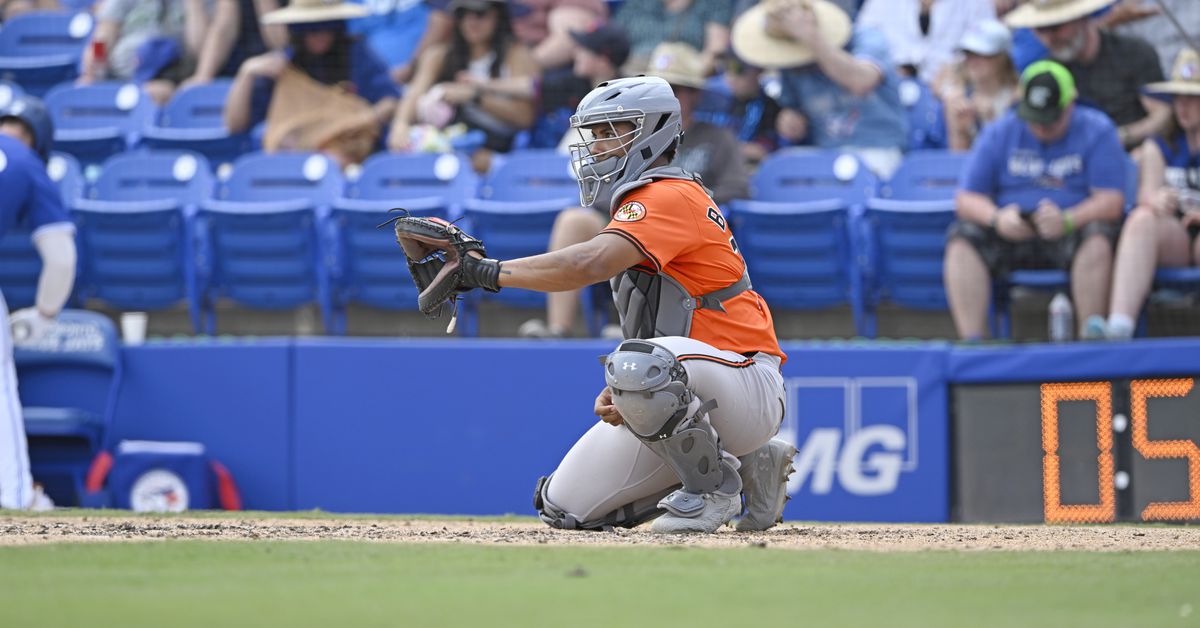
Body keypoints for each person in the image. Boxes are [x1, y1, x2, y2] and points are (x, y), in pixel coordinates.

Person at [435, 75, 794, 534]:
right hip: (703, 384)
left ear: (653, 132)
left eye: (612, 131)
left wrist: (486, 271)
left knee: (636, 363)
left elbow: (589, 262)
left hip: (746, 379)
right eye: (596, 133)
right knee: (565, 508)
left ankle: (714, 491)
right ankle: (750, 463)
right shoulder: (643, 199)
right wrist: (634, 399)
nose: (599, 145)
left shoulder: (667, 194)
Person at [518, 42, 750, 339]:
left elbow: (738, 186)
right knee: (576, 220)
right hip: (626, 217)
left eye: (676, 88)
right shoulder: (625, 131)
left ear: (695, 94)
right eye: (658, 89)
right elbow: (602, 185)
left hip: (685, 229)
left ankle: (629, 329)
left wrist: (685, 200)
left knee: (644, 228)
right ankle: (558, 328)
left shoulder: (717, 138)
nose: (668, 97)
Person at [943, 61, 1126, 341]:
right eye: (1034, 117)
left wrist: (1068, 220)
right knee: (962, 237)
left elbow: (1112, 200)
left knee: (1098, 236)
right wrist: (997, 218)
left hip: (1070, 229)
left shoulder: (1097, 129)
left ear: (1070, 104)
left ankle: (1091, 342)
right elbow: (966, 198)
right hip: (1012, 230)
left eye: (1050, 119)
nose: (1041, 127)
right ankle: (973, 345)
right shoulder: (1001, 130)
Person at [0, 95, 76, 511]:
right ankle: (14, 497)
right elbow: (62, 258)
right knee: (1, 386)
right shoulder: (26, 161)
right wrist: (45, 314)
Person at [731, 0, 908, 178]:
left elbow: (861, 82)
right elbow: (793, 112)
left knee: (859, 175)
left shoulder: (867, 37)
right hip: (822, 154)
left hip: (877, 149)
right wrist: (790, 120)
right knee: (780, 171)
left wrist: (810, 36)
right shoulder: (790, 61)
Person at [224, 0, 400, 168]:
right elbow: (235, 126)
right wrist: (246, 73)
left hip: (351, 160)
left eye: (326, 26)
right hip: (294, 164)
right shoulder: (285, 67)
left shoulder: (356, 55)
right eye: (311, 28)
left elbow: (390, 101)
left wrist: (356, 121)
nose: (320, 35)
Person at [1104, 49, 1200, 339]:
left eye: (1193, 99)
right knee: (1141, 218)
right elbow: (1146, 194)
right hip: (1176, 235)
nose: (1183, 107)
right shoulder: (1160, 145)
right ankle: (1119, 327)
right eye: (1178, 98)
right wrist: (1157, 200)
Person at [388, 0, 537, 173]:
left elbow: (525, 118)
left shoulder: (518, 55)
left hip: (498, 152)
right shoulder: (438, 55)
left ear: (498, 16)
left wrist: (475, 97)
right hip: (447, 146)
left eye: (480, 14)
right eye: (463, 14)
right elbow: (414, 95)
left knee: (479, 161)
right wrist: (400, 125)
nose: (471, 21)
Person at [1004, 0, 1171, 151]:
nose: (1049, 38)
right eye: (1041, 29)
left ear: (1081, 18)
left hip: (1132, 151)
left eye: (1056, 27)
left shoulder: (1134, 52)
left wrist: (1121, 136)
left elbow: (1162, 115)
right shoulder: (1048, 69)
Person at [79, 0, 210, 104]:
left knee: (154, 95)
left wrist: (194, 4)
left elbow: (199, 50)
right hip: (120, 78)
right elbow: (102, 36)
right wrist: (92, 68)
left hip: (169, 77)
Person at [855, 0, 996, 83]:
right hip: (892, 90)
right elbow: (861, 44)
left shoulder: (975, 3)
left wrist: (959, 70)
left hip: (951, 93)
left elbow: (990, 47)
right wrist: (886, 70)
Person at [934, 19, 1019, 152]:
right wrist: (962, 132)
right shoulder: (956, 100)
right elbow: (957, 162)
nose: (971, 61)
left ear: (1001, 57)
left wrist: (992, 124)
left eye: (980, 54)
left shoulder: (1018, 97)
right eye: (968, 54)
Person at [179, 0, 288, 92]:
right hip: (234, 69)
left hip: (273, 68)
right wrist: (203, 75)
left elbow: (280, 43)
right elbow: (224, 26)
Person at [696, 52, 783, 165]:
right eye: (727, 67)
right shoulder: (711, 96)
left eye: (739, 70)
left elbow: (761, 151)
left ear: (758, 71)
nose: (731, 76)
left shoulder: (769, 106)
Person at [614, 0, 733, 77]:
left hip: (681, 78)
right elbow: (614, 42)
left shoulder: (712, 4)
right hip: (632, 77)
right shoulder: (637, 4)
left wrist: (689, 74)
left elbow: (715, 52)